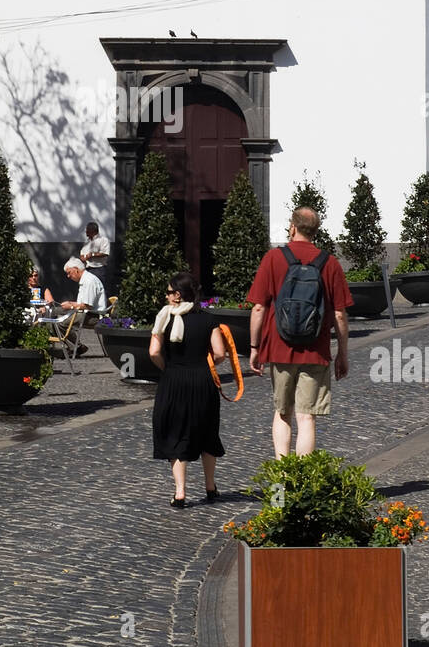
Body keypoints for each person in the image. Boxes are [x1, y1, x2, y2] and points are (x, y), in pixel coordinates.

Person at [247, 207, 352, 457]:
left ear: (292, 227)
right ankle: (302, 478)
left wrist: (254, 348)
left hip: (279, 347)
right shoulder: (329, 263)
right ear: (315, 231)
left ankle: (282, 478)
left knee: (283, 413)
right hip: (316, 348)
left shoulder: (273, 258)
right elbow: (339, 314)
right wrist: (343, 354)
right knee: (306, 417)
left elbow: (259, 307)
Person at [150, 272, 227, 507]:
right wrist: (207, 366)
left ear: (177, 295)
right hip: (202, 379)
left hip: (174, 380)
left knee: (175, 432)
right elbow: (221, 353)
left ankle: (180, 492)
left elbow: (153, 352)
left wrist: (167, 368)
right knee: (206, 432)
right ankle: (210, 486)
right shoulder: (208, 319)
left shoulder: (164, 318)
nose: (165, 295)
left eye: (168, 291)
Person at [79, 222, 110, 286]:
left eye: (87, 230)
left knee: (99, 288)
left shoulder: (103, 240)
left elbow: (105, 253)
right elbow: (82, 252)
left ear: (93, 231)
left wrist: (92, 255)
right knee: (88, 288)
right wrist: (82, 257)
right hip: (87, 269)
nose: (86, 232)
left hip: (98, 269)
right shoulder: (87, 241)